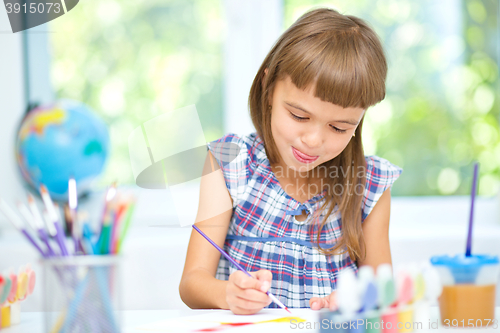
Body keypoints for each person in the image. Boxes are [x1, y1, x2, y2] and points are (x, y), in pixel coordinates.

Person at [179, 7, 402, 315]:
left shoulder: (370, 185)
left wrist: (354, 301)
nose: (313, 140)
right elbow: (192, 282)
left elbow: (383, 291)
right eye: (299, 115)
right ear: (269, 89)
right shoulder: (228, 163)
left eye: (339, 127)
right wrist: (227, 294)